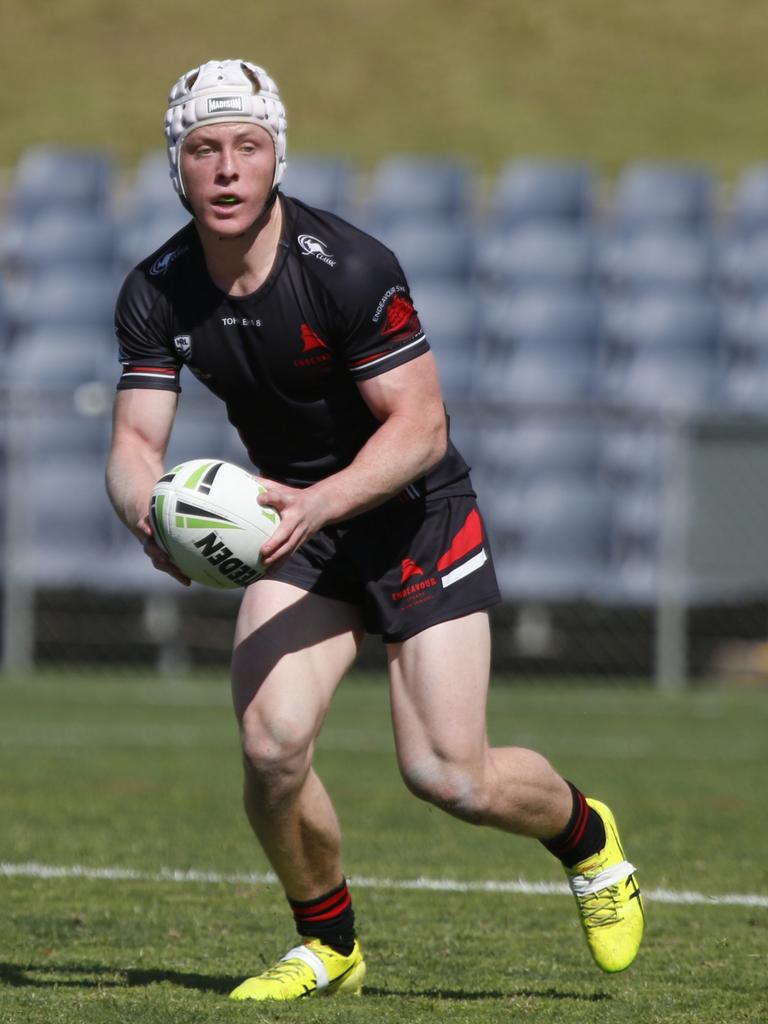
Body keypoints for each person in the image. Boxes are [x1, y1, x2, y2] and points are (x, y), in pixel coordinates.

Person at [106, 59, 644, 1002]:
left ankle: (586, 836)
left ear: (277, 158)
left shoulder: (349, 267)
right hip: (295, 523)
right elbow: (133, 444)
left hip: (410, 515)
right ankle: (330, 944)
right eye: (204, 151)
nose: (227, 171)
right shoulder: (156, 289)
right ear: (177, 167)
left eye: (247, 147)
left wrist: (324, 500)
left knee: (449, 775)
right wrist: (148, 516)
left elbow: (422, 426)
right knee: (271, 746)